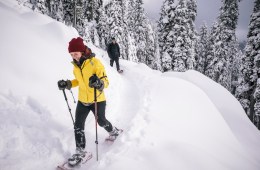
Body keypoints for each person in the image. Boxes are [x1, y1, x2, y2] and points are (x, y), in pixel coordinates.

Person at [57, 37, 120, 166]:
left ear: (82, 51)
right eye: (71, 54)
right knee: (78, 125)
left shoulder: (95, 63)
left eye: (76, 53)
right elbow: (79, 81)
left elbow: (105, 82)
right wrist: (68, 83)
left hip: (97, 99)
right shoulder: (75, 66)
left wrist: (98, 83)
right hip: (82, 100)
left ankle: (113, 131)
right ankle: (81, 151)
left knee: (101, 120)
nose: (74, 57)